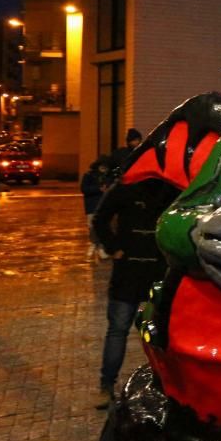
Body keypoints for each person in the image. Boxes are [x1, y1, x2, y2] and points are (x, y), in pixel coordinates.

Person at [91, 177, 180, 408]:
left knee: (159, 333)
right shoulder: (125, 186)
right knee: (119, 330)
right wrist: (114, 248)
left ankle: (165, 386)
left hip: (156, 272)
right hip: (128, 272)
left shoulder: (172, 189)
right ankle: (107, 385)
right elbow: (100, 219)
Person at [80, 156, 113, 259]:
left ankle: (101, 247)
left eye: (106, 167)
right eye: (102, 166)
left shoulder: (109, 176)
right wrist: (98, 189)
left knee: (104, 226)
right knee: (91, 226)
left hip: (105, 205)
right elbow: (84, 189)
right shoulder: (89, 175)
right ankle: (95, 244)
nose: (104, 168)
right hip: (92, 205)